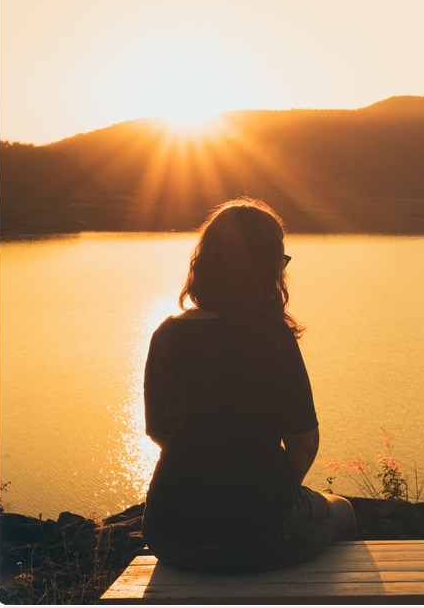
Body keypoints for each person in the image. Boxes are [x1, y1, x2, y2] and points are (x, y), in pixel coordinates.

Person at [141, 198, 356, 573]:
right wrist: (275, 493)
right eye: (280, 260)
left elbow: (157, 430)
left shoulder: (166, 333)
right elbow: (304, 441)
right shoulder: (270, 334)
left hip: (165, 533)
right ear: (266, 267)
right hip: (251, 535)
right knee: (343, 511)